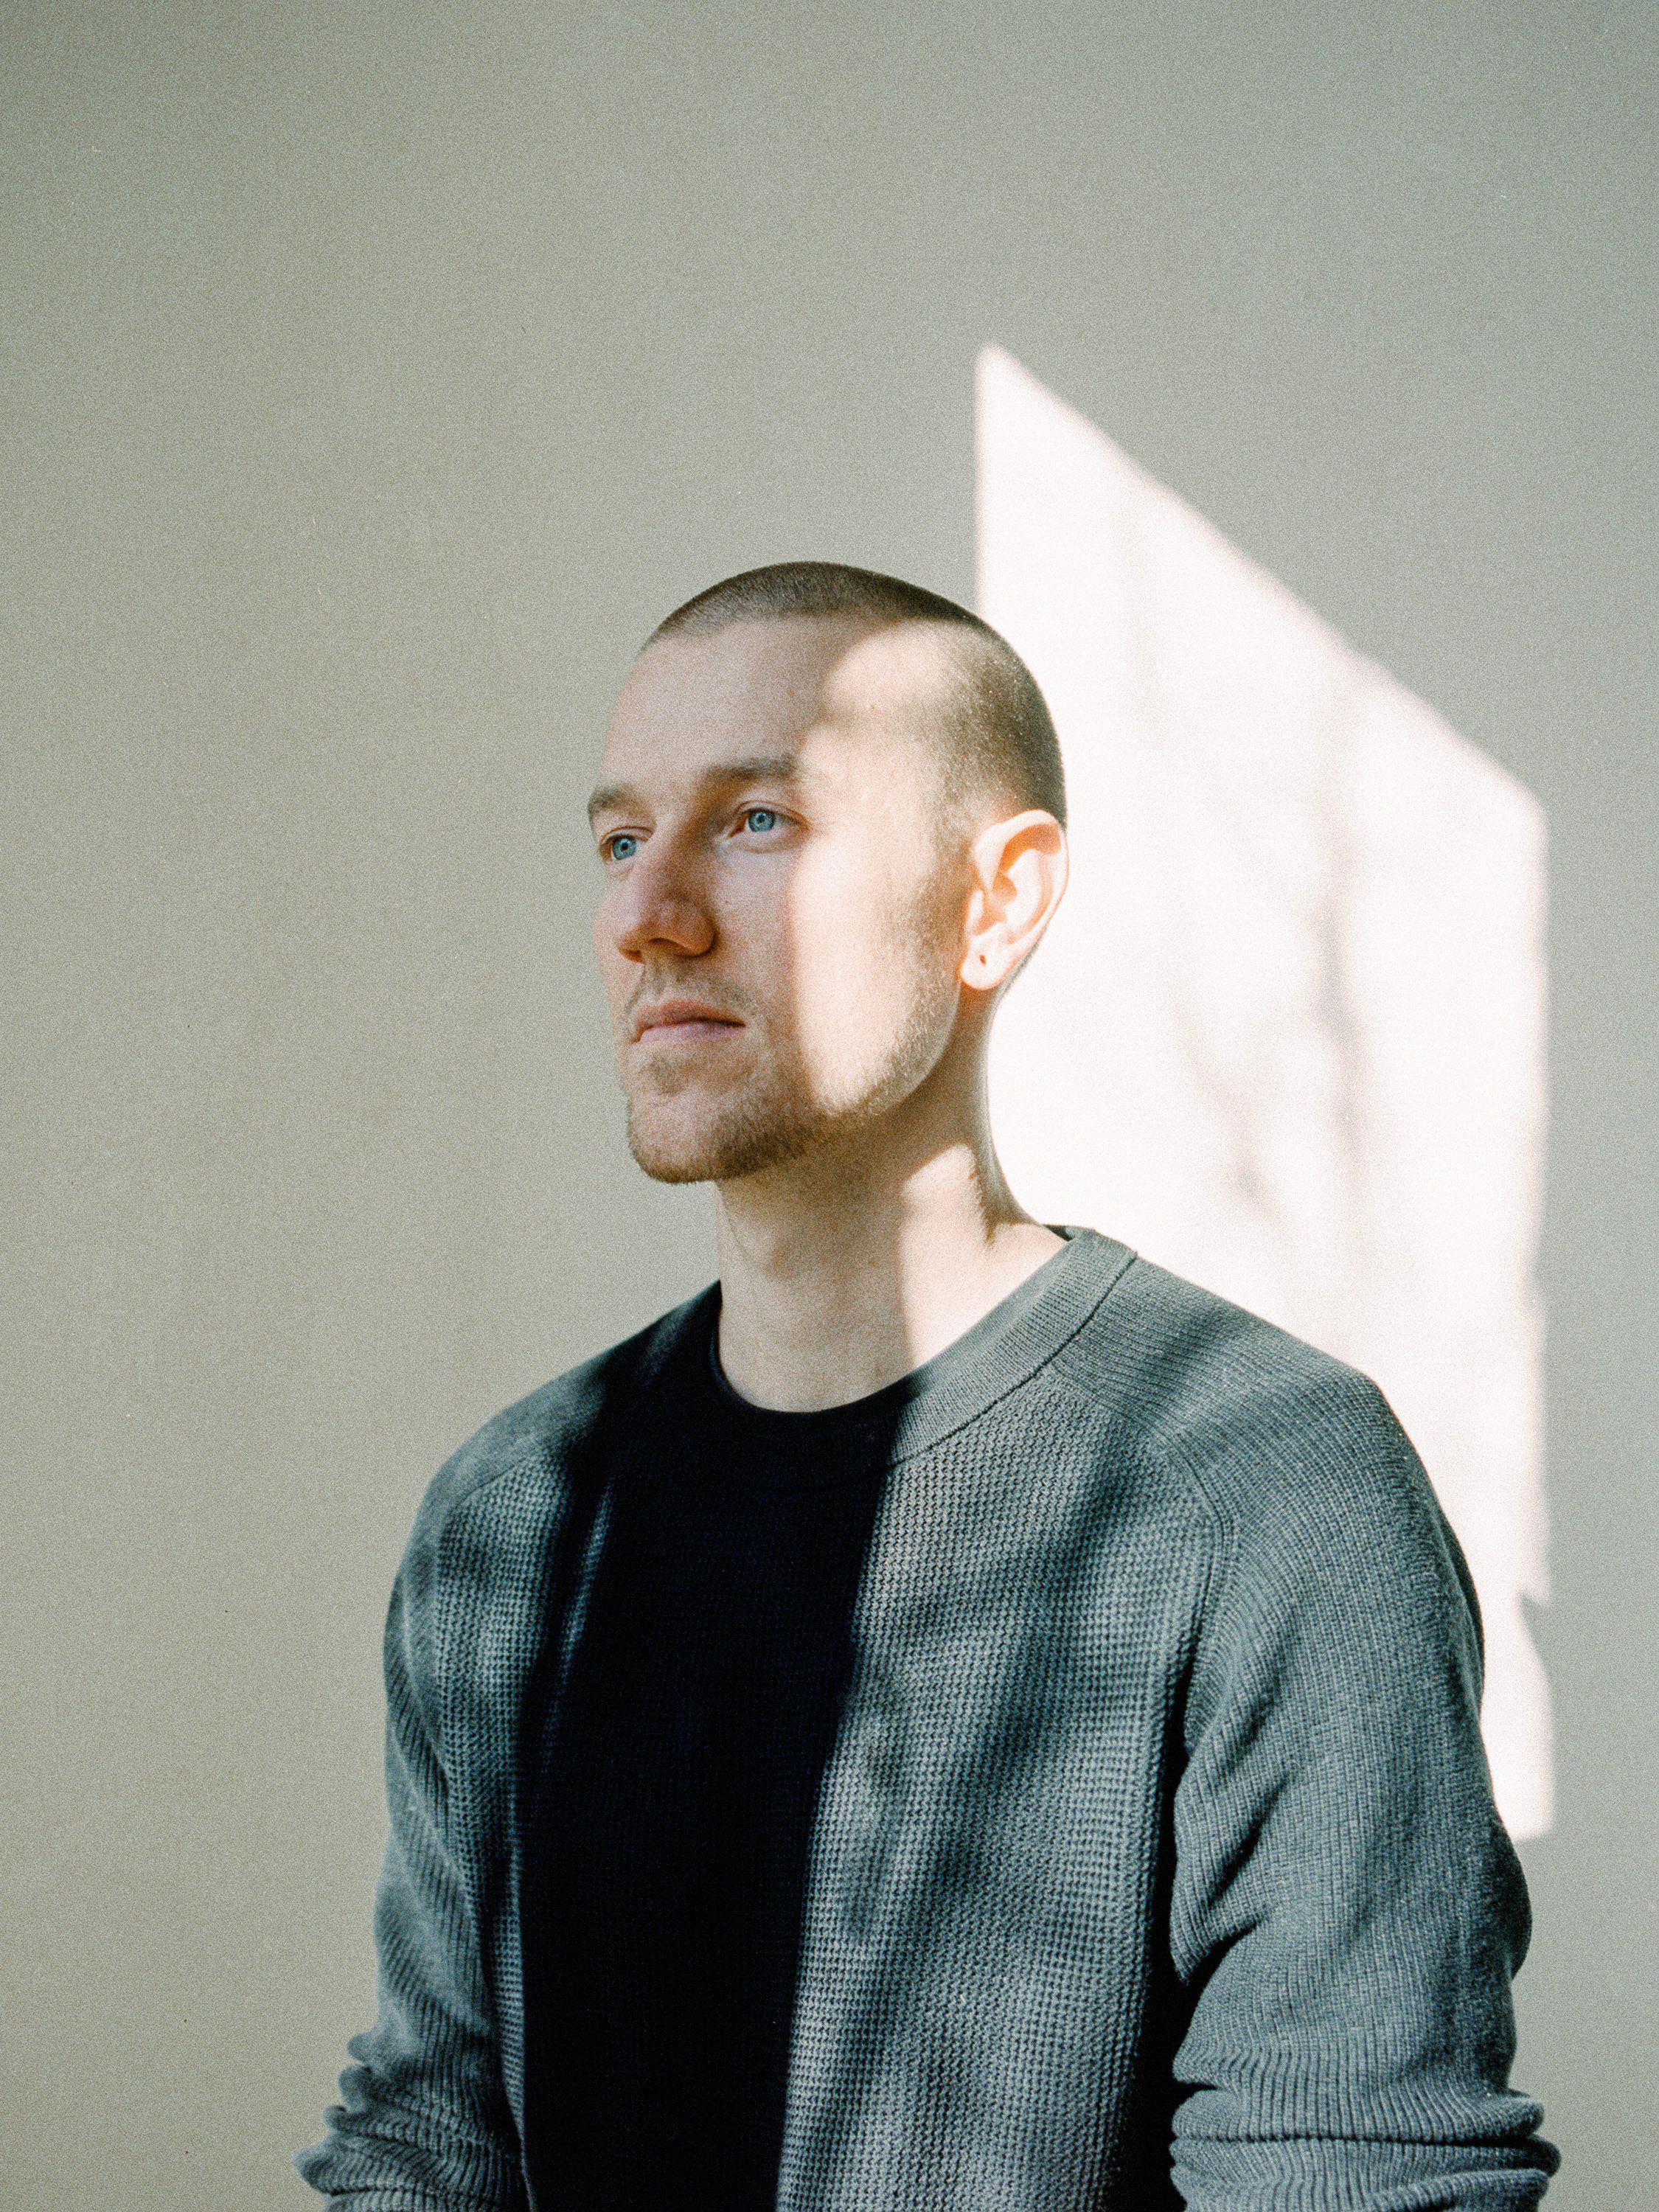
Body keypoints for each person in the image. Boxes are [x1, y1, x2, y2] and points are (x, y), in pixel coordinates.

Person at [296, 563, 1557, 2210]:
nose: (647, 913)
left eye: (758, 822)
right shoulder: (513, 1518)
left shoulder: (1270, 1495)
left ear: (1000, 899)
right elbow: (427, 2142)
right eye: (619, 839)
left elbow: (1365, 2183)